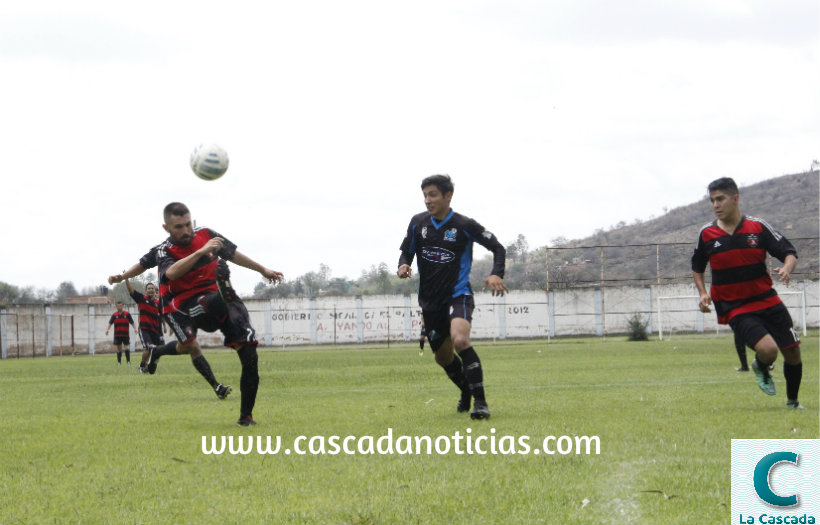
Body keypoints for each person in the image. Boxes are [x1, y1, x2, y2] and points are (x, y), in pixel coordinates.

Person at [109, 202, 283, 426]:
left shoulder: (207, 235)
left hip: (212, 294)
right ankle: (221, 296)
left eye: (188, 224)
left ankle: (246, 417)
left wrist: (263, 270)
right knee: (192, 343)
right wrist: (121, 277)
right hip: (179, 304)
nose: (185, 231)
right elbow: (169, 272)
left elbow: (232, 253)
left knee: (248, 351)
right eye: (178, 227)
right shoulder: (164, 250)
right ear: (167, 228)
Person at [397, 174, 508, 420]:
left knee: (460, 340)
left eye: (433, 194)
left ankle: (481, 403)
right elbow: (406, 252)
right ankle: (466, 391)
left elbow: (497, 247)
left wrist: (495, 273)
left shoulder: (464, 225)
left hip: (459, 295)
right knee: (443, 357)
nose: (428, 200)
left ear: (448, 196)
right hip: (430, 302)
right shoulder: (418, 223)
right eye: (425, 195)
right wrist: (403, 265)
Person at [691, 177, 803, 409]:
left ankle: (793, 402)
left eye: (720, 199)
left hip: (766, 298)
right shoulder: (707, 234)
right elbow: (697, 267)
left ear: (735, 198)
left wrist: (787, 268)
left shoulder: (757, 227)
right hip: (734, 305)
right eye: (712, 200)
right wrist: (702, 292)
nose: (715, 205)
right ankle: (761, 365)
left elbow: (789, 253)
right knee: (769, 350)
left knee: (792, 351)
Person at [125, 279, 166, 374]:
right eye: (148, 288)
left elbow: (162, 316)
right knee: (148, 348)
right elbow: (131, 290)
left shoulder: (158, 303)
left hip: (155, 330)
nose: (150, 290)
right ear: (146, 290)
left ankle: (149, 365)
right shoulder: (141, 298)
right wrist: (126, 279)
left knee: (158, 350)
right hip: (144, 329)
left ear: (155, 291)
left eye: (152, 288)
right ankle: (142, 365)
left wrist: (164, 326)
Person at [105, 301, 136, 366]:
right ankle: (119, 362)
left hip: (125, 335)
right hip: (117, 335)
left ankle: (128, 362)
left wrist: (135, 329)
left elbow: (132, 322)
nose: (119, 307)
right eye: (118, 306)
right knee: (119, 349)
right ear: (116, 307)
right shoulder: (114, 315)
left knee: (127, 348)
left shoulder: (127, 314)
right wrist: (107, 329)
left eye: (121, 306)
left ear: (123, 306)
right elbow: (110, 323)